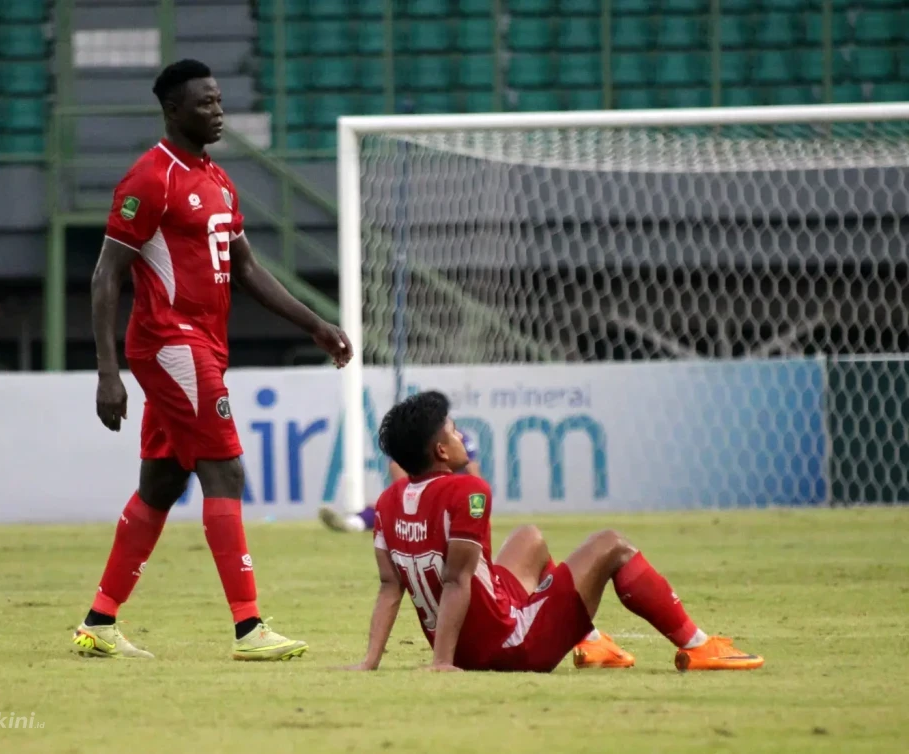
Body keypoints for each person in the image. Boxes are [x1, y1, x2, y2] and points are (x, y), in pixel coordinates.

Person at [72, 59, 352, 661]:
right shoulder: (149, 179)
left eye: (220, 100)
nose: (219, 112)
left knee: (161, 482)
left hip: (201, 344)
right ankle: (249, 628)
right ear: (173, 110)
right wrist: (107, 373)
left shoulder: (218, 180)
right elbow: (105, 276)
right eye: (205, 103)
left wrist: (316, 325)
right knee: (226, 471)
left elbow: (246, 268)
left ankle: (99, 621)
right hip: (170, 343)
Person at [345, 391, 765, 673]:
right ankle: (697, 645)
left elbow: (389, 587)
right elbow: (456, 581)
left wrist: (369, 662)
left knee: (529, 537)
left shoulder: (388, 501)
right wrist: (442, 663)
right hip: (510, 645)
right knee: (612, 545)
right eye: (454, 432)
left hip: (472, 634)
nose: (460, 438)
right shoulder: (468, 490)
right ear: (440, 450)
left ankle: (592, 642)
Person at [318, 430, 483, 534]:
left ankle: (355, 523)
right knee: (387, 506)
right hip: (423, 496)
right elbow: (397, 470)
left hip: (454, 498)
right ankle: (352, 524)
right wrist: (411, 496)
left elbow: (474, 475)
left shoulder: (460, 439)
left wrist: (476, 507)